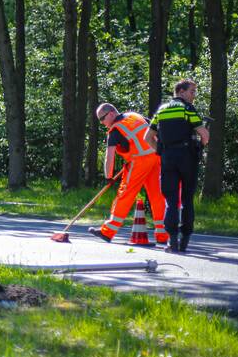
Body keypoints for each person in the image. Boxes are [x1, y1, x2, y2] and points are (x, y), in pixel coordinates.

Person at [88, 102, 169, 245]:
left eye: (102, 118)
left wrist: (108, 177)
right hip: (156, 158)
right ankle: (162, 235)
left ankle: (108, 231)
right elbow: (156, 131)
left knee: (125, 194)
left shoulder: (115, 130)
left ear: (111, 114)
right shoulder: (135, 116)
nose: (102, 122)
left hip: (139, 162)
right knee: (158, 196)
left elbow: (109, 157)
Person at [146, 79, 210, 253]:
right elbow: (204, 134)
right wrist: (200, 147)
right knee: (187, 199)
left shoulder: (161, 110)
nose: (194, 95)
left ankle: (172, 240)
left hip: (167, 158)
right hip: (187, 157)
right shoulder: (187, 108)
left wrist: (160, 151)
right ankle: (185, 240)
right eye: (192, 91)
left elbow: (147, 137)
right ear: (181, 91)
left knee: (171, 200)